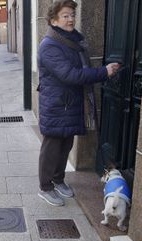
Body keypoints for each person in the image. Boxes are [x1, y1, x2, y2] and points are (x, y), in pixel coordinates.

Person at [37, 0, 121, 206]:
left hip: (70, 103)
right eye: (65, 15)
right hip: (57, 105)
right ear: (53, 20)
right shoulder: (49, 45)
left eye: (72, 14)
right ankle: (45, 187)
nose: (71, 19)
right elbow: (69, 74)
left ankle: (58, 180)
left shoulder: (71, 41)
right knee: (52, 147)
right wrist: (103, 72)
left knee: (66, 144)